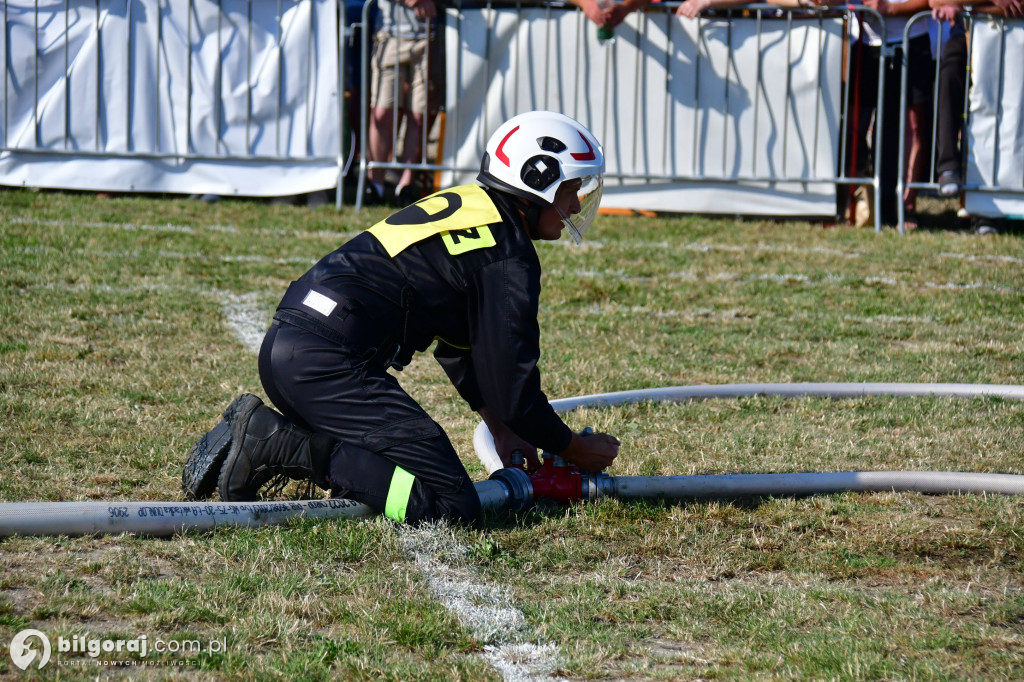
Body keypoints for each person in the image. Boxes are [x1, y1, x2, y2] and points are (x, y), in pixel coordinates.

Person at [184, 111, 621, 526]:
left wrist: (500, 429)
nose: (576, 201)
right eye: (570, 187)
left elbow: (458, 344)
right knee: (452, 503)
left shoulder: (474, 207)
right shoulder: (508, 254)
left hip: (296, 348)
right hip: (328, 363)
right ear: (537, 179)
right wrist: (573, 446)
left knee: (407, 473)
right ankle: (285, 444)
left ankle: (285, 440)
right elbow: (514, 388)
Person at [366, 0, 444, 207]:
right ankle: (375, 185)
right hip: (390, 35)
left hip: (430, 34)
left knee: (420, 115)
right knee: (382, 112)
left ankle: (406, 186)